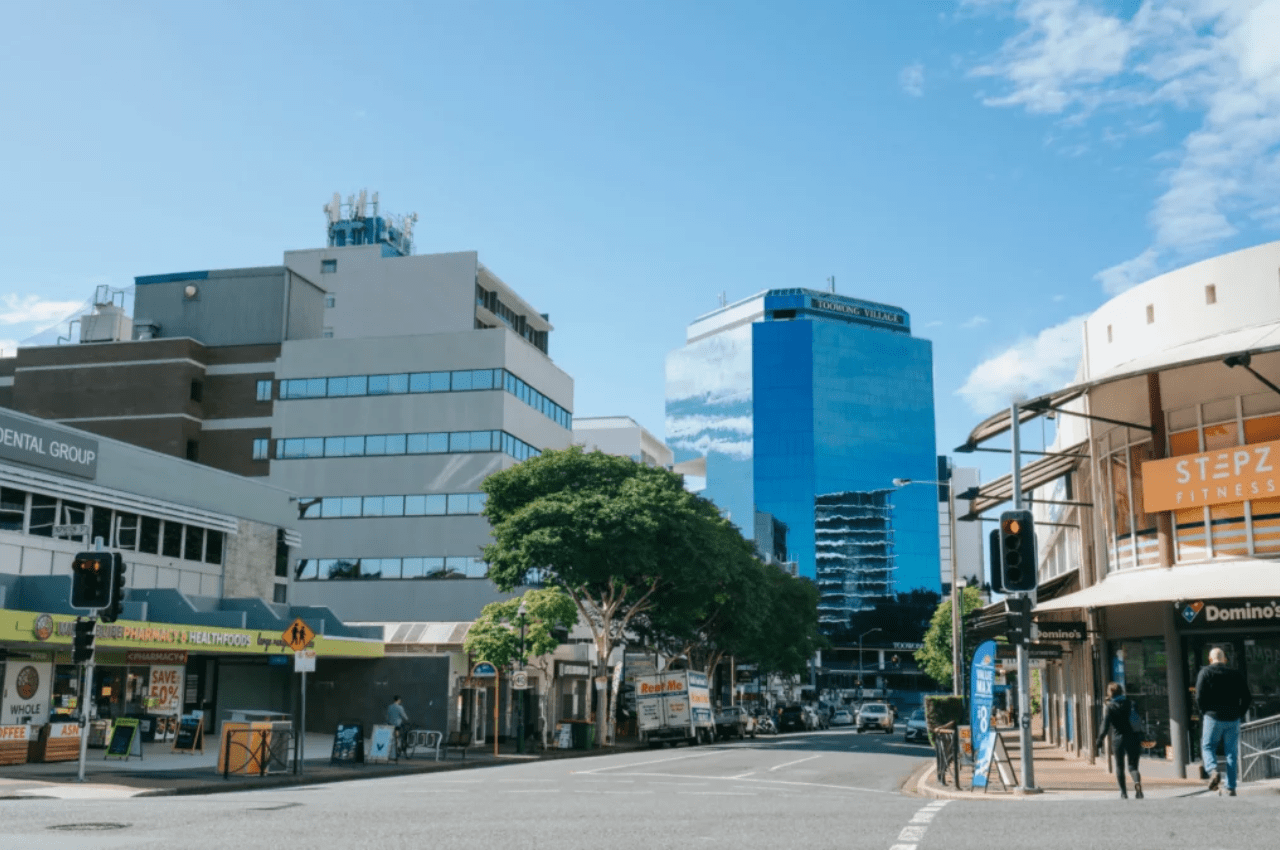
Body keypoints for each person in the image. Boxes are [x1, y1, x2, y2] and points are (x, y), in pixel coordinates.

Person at [1195, 647, 1253, 796]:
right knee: (1231, 753)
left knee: (1208, 746)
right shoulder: (1235, 674)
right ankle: (1231, 787)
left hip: (1213, 717)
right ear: (1224, 659)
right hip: (1232, 718)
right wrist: (1240, 713)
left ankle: (1213, 770)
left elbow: (1199, 697)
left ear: (1210, 659)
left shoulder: (1205, 672)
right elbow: (1247, 697)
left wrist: (1204, 712)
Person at [1094, 682, 1143, 799]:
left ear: (1110, 693)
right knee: (1133, 767)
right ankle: (1138, 789)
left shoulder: (1110, 707)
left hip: (1118, 739)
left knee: (1119, 767)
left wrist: (1100, 739)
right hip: (1133, 738)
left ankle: (1124, 793)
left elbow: (1105, 726)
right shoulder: (1132, 703)